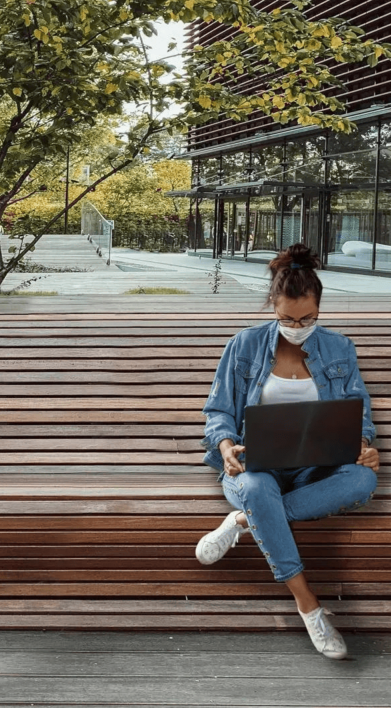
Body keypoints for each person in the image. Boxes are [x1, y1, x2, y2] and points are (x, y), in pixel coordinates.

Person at [196, 244, 379, 659]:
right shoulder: (244, 345)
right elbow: (218, 411)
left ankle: (243, 520)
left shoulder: (339, 348)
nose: (297, 326)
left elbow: (359, 412)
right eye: (287, 319)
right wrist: (225, 445)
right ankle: (308, 605)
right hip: (257, 467)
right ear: (273, 308)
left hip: (317, 468)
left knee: (364, 478)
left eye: (307, 319)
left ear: (319, 308)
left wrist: (363, 445)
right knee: (260, 491)